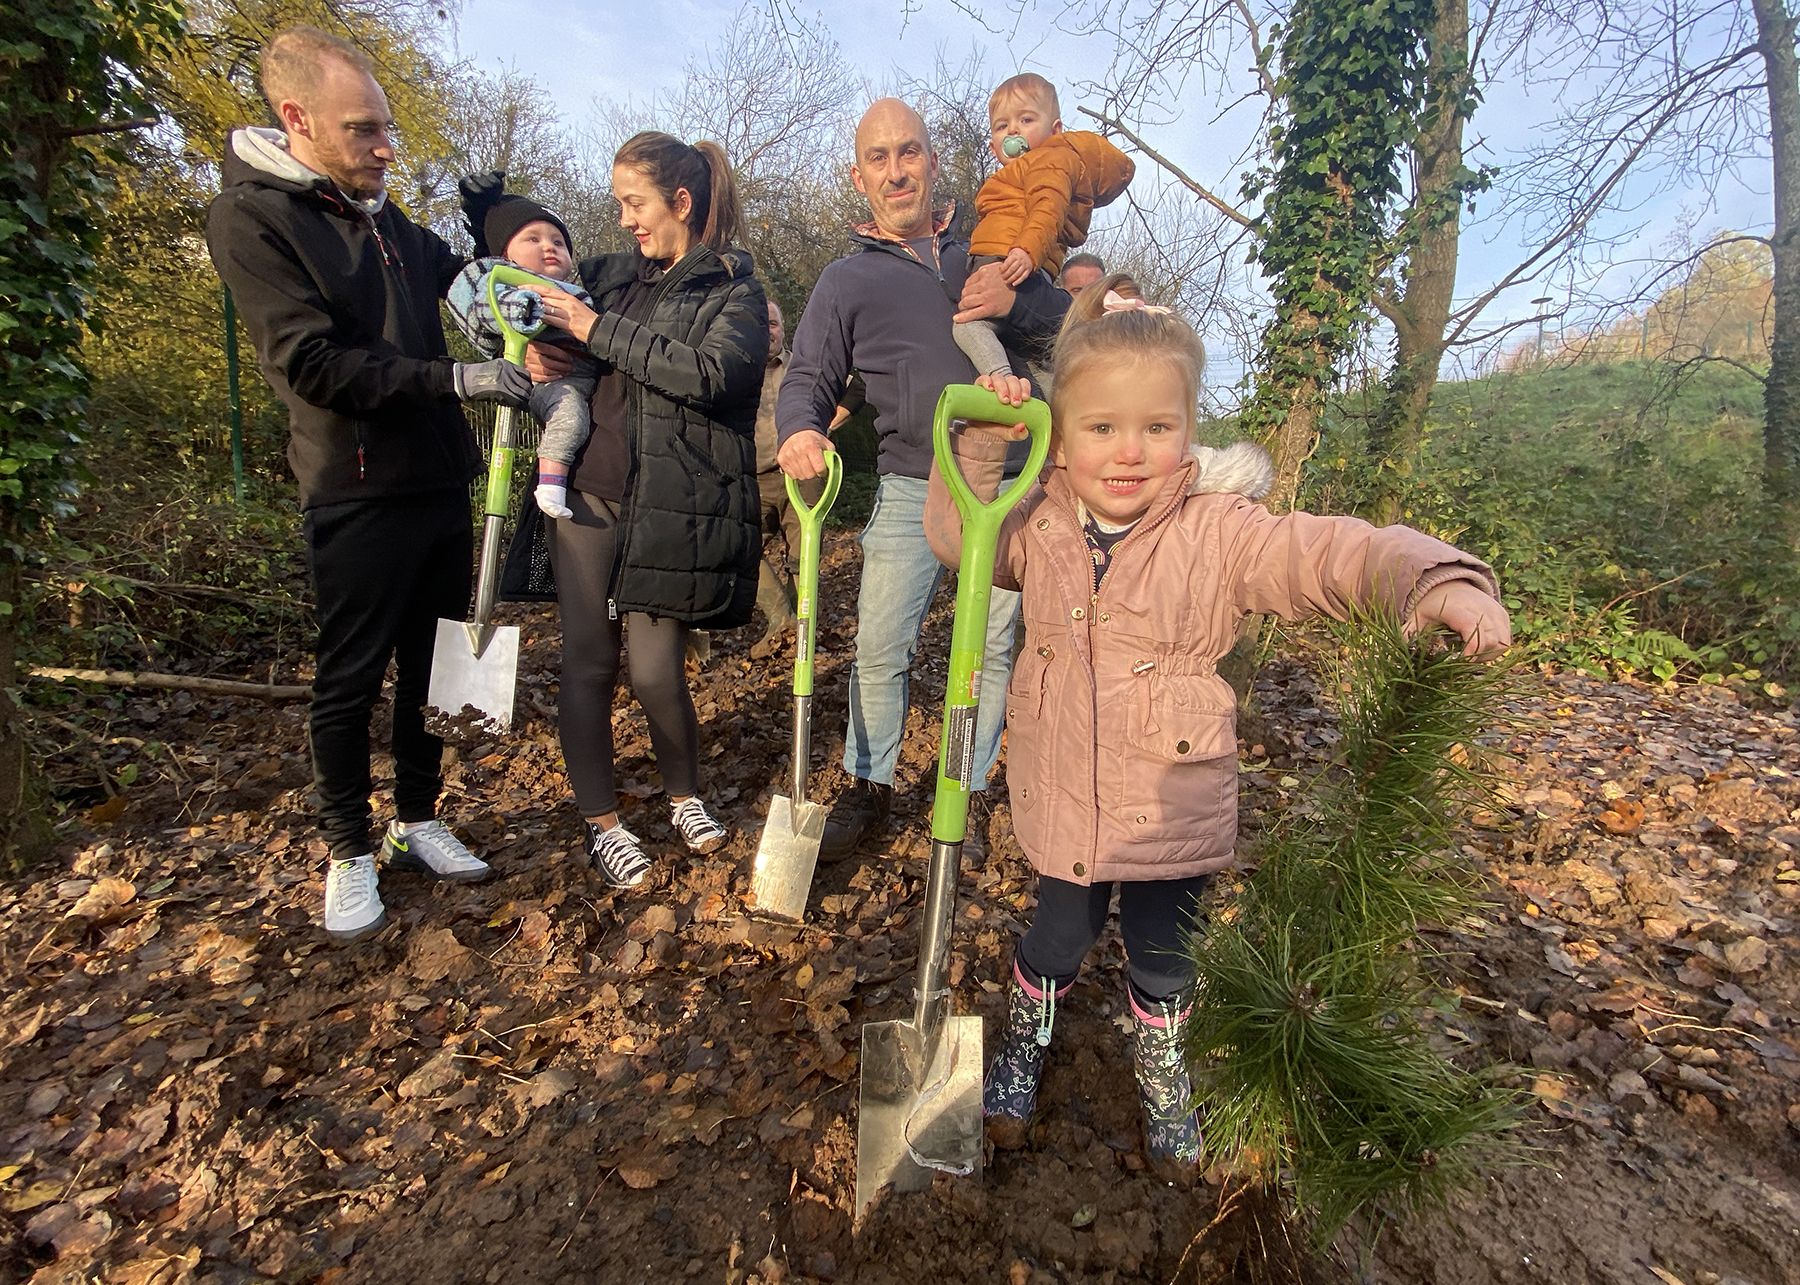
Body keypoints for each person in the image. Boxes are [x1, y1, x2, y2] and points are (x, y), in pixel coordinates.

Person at [924, 276, 1511, 1164]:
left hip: (1172, 808)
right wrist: (974, 448)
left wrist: (1433, 578)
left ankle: (1165, 1072)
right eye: (1102, 428)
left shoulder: (1220, 530)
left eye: (1157, 428)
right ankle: (1025, 1042)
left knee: (1166, 955)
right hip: (1065, 799)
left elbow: (1327, 551)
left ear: (1189, 430)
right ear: (1062, 431)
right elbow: (955, 541)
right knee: (1055, 938)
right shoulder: (1035, 523)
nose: (1129, 452)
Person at [206, 27, 530, 942]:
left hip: (436, 480)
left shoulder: (380, 213)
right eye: (364, 130)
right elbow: (310, 362)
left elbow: (459, 278)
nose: (387, 147)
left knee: (434, 667)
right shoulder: (254, 221)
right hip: (352, 487)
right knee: (350, 678)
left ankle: (417, 815)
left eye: (388, 127)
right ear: (296, 118)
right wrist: (451, 381)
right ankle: (349, 848)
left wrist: (499, 229)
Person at [463, 132, 766, 890]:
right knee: (589, 662)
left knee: (660, 671)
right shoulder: (609, 274)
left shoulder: (733, 290)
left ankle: (685, 794)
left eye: (635, 202)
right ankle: (603, 822)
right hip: (588, 496)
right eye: (619, 204)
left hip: (671, 505)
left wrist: (590, 327)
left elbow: (710, 373)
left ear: (681, 203)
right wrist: (529, 336)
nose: (625, 219)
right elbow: (521, 288)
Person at [776, 98, 1071, 862]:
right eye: (879, 158)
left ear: (934, 162)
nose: (896, 169)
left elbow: (1067, 327)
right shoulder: (845, 280)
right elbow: (809, 373)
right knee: (881, 644)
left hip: (1005, 483)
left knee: (993, 650)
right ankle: (868, 786)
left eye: (909, 152)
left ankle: (964, 792)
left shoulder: (988, 250)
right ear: (859, 175)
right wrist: (801, 426)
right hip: (913, 481)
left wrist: (1021, 297)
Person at [953, 73, 1133, 384]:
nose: (1013, 130)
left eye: (1026, 120)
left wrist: (1026, 249)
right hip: (1024, 265)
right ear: (994, 145)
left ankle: (1001, 380)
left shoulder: (1048, 160)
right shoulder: (1026, 171)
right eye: (1001, 126)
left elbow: (1046, 207)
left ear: (1055, 130)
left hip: (1009, 260)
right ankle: (1059, 415)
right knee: (1037, 352)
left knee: (968, 324)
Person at [447, 194, 599, 520]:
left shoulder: (579, 291)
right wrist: (520, 311)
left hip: (587, 374)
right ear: (506, 255)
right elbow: (483, 310)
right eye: (533, 239)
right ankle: (551, 483)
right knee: (570, 418)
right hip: (554, 381)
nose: (550, 247)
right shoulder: (502, 280)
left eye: (559, 241)